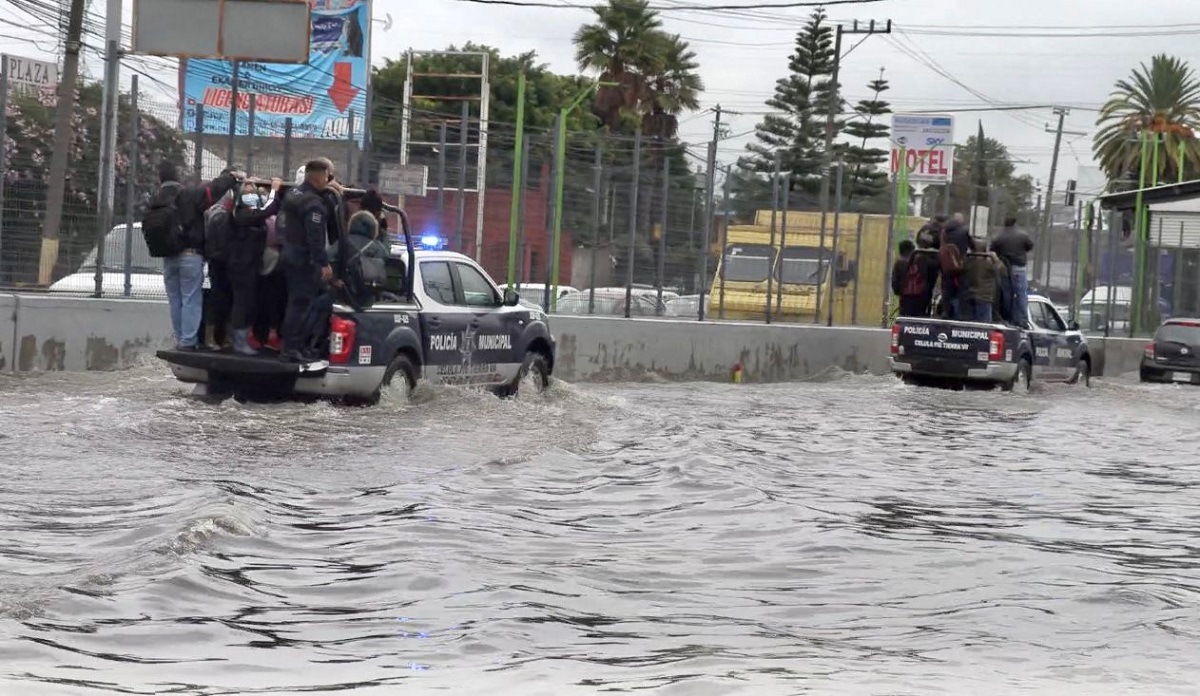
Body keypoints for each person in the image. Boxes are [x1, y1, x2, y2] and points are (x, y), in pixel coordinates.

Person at [154, 161, 239, 351]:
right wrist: (232, 177)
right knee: (190, 298)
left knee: (175, 300)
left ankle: (180, 338)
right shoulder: (188, 194)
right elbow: (214, 190)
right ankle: (188, 341)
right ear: (178, 177)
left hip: (168, 256)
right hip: (190, 255)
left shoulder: (157, 198)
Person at [278, 159, 335, 362]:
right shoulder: (312, 204)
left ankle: (292, 346)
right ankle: (292, 348)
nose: (329, 180)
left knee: (294, 302)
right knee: (301, 304)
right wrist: (323, 263)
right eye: (327, 176)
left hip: (288, 253)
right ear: (318, 176)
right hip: (303, 259)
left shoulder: (294, 194)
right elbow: (315, 237)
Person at [228, 178, 283, 355]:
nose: (252, 195)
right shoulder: (242, 214)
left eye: (253, 192)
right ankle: (239, 341)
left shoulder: (251, 213)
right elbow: (269, 209)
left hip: (250, 265)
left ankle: (245, 338)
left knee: (249, 302)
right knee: (242, 303)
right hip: (242, 266)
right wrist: (274, 191)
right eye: (248, 192)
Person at [989, 216, 1034, 327]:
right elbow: (1029, 246)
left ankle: (1008, 318)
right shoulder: (1023, 235)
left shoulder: (999, 237)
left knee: (1007, 294)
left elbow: (992, 250)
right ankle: (1022, 320)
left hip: (1004, 267)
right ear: (1015, 223)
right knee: (1021, 294)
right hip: (1019, 267)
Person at [938, 216, 971, 319]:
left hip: (947, 266)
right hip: (959, 264)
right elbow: (972, 245)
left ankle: (946, 311)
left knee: (946, 289)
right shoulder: (963, 232)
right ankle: (963, 314)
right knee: (963, 289)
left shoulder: (944, 232)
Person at [962, 238, 997, 323]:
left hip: (969, 295)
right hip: (984, 297)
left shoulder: (967, 261)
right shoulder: (988, 263)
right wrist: (996, 259)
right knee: (985, 326)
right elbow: (1000, 270)